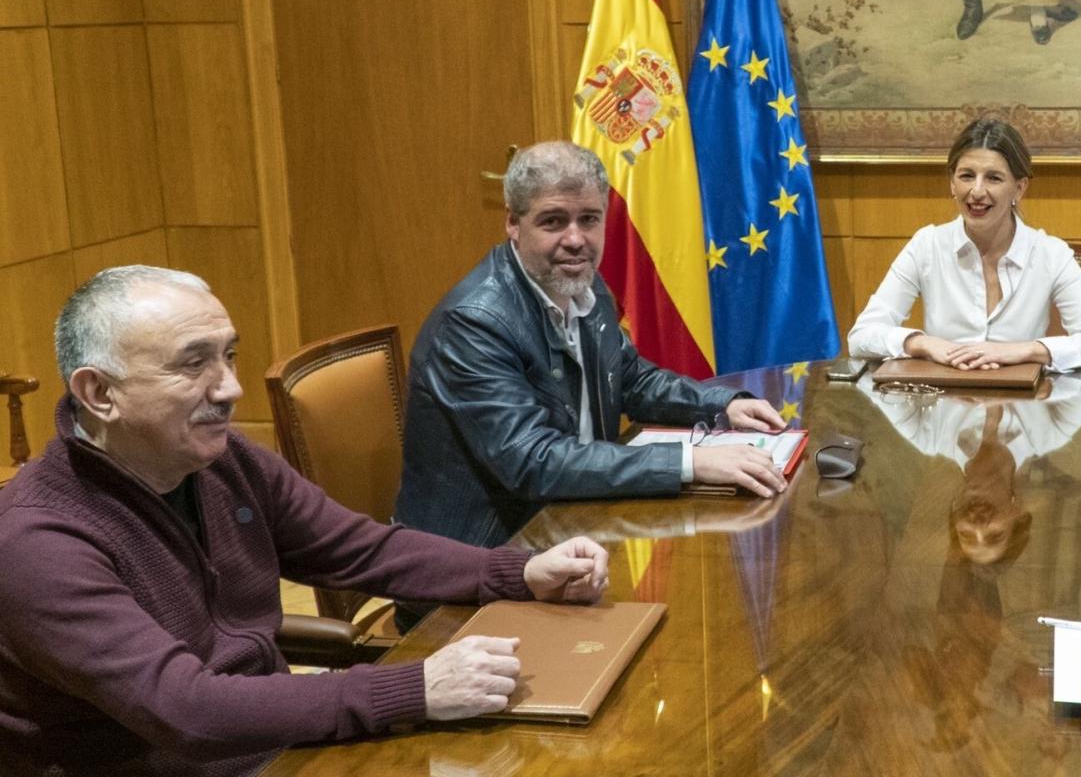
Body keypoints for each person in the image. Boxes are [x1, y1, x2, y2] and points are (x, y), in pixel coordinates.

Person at [0, 266, 614, 776]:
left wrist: (517, 572)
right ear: (99, 394)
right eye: (194, 365)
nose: (230, 389)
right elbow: (186, 710)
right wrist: (414, 688)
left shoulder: (222, 460)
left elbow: (360, 549)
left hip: (282, 747)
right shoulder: (37, 541)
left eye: (229, 356)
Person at [397, 142, 788, 551]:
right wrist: (689, 462)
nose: (575, 239)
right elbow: (533, 461)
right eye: (553, 221)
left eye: (589, 219)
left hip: (574, 525)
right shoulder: (474, 323)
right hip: (483, 558)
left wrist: (721, 406)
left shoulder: (581, 284)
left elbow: (631, 380)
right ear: (513, 222)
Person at [846, 115, 1081, 372]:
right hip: (944, 400)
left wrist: (1023, 351)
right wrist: (923, 343)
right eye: (966, 176)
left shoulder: (1051, 253)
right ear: (952, 183)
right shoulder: (927, 245)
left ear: (1019, 188)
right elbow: (861, 336)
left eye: (993, 178)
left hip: (1023, 403)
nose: (976, 191)